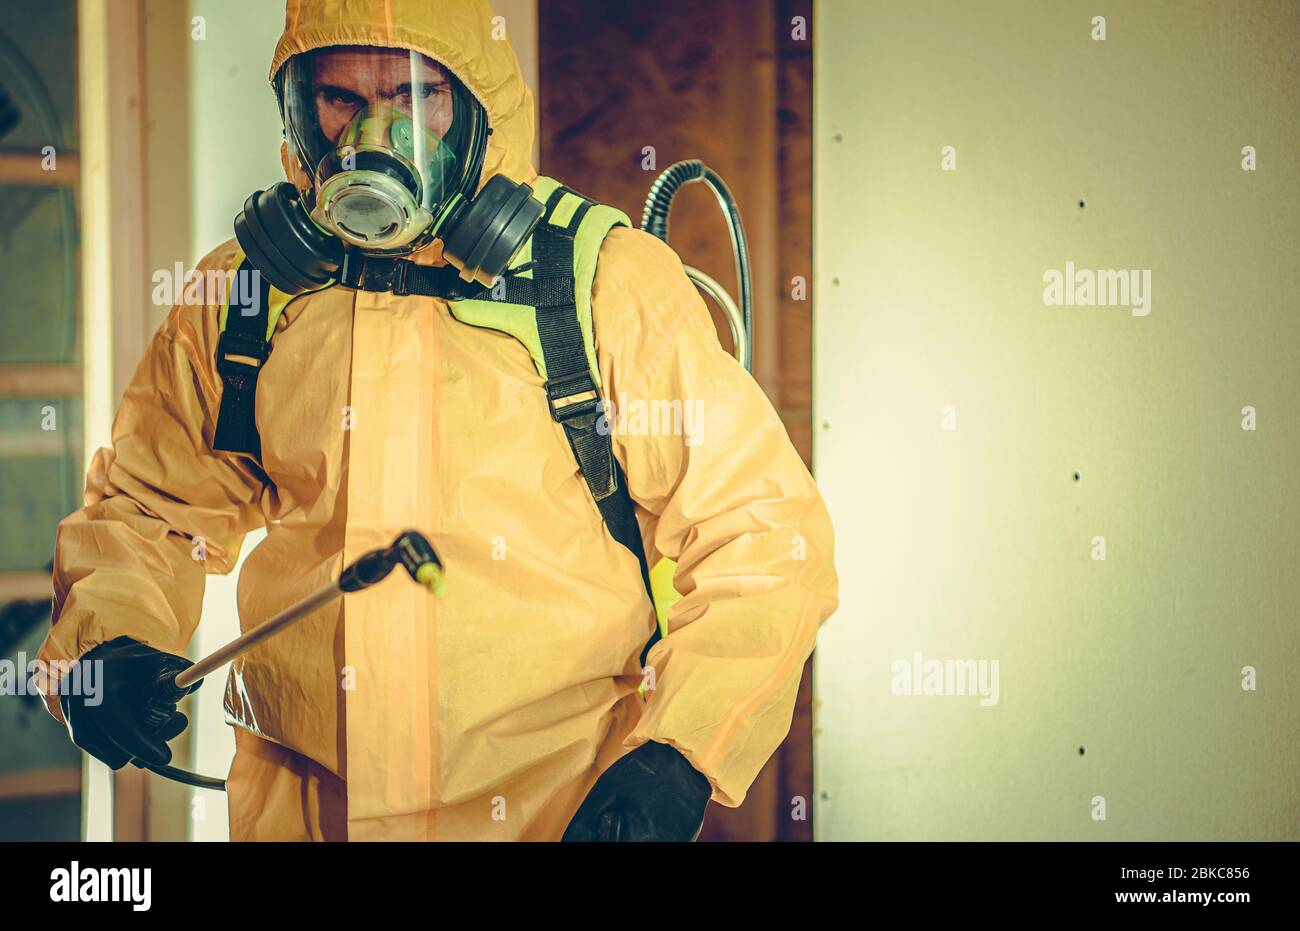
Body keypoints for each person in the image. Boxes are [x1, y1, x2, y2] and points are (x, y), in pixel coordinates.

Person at [38, 0, 838, 841]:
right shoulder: (247, 294)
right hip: (303, 816)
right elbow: (151, 508)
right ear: (300, 107)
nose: (375, 136)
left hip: (549, 815)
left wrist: (682, 750)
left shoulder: (599, 285)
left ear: (478, 102)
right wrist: (105, 641)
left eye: (415, 96)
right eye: (341, 100)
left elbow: (763, 535)